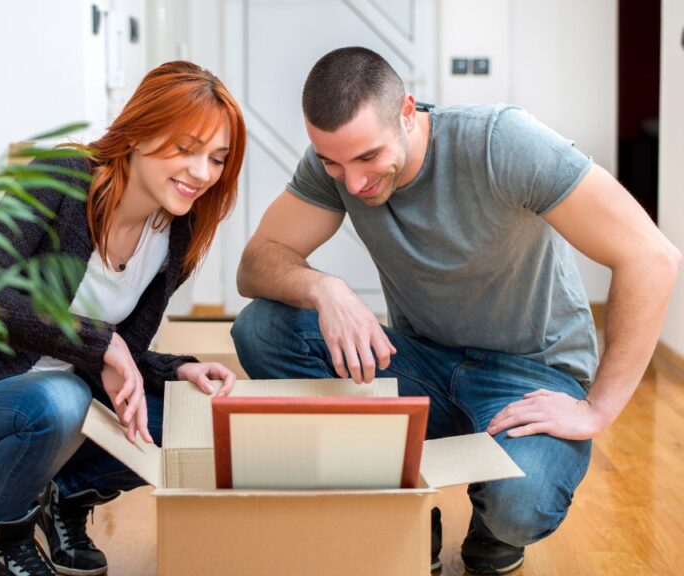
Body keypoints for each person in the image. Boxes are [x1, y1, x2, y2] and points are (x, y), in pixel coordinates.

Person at [231, 46, 680, 575]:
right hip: (420, 362)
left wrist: (597, 409)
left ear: (407, 113)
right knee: (262, 329)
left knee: (522, 506)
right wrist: (326, 287)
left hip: (529, 378)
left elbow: (651, 257)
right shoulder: (333, 168)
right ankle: (399, 507)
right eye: (334, 162)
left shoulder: (500, 142)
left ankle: (492, 527)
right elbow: (256, 265)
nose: (352, 183)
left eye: (368, 158)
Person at [0, 61, 246, 576]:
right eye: (185, 149)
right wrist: (104, 344)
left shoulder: (174, 238)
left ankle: (65, 498)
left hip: (67, 415)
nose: (202, 172)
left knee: (195, 414)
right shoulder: (61, 178)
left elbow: (117, 357)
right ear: (139, 132)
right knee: (61, 396)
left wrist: (176, 370)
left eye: (216, 158)